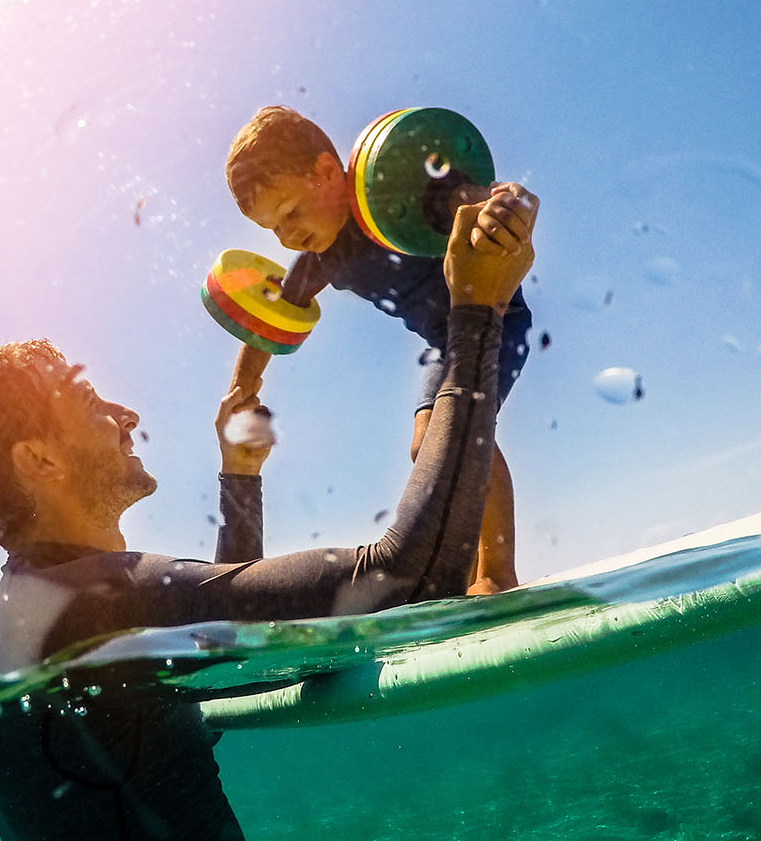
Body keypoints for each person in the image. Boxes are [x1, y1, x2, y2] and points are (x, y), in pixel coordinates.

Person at [0, 194, 537, 841]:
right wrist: (474, 313)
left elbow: (218, 631)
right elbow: (407, 579)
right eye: (87, 399)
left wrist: (240, 476)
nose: (125, 414)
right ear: (40, 459)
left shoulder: (28, 619)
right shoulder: (88, 606)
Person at [223, 105, 539, 595]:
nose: (286, 235)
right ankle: (469, 574)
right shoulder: (322, 254)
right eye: (273, 229)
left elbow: (469, 196)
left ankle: (497, 571)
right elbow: (272, 319)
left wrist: (503, 202)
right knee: (424, 446)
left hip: (496, 318)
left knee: (454, 431)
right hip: (445, 341)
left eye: (290, 213)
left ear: (327, 172)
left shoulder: (403, 190)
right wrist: (244, 385)